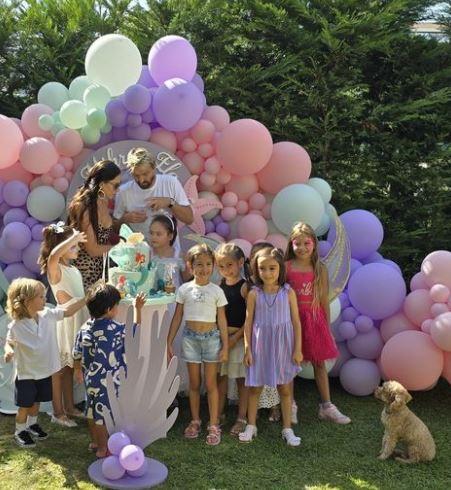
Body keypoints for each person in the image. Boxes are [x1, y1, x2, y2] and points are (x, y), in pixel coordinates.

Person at [4, 278, 86, 448]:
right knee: (25, 406)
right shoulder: (16, 325)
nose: (45, 299)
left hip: (45, 371)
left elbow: (68, 311)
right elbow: (9, 342)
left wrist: (87, 298)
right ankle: (20, 431)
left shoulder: (47, 314)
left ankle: (32, 425)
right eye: (41, 297)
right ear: (27, 301)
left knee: (37, 402)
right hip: (26, 374)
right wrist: (8, 351)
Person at [285, 222, 351, 424]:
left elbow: (323, 300)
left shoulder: (319, 268)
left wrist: (326, 328)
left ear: (314, 243)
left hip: (313, 321)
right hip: (290, 321)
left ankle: (326, 406)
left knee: (319, 363)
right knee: (290, 363)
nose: (302, 248)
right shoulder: (285, 267)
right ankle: (290, 404)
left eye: (307, 243)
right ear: (291, 244)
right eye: (298, 243)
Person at [73, 282, 146, 458]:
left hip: (91, 380)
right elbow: (135, 331)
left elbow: (77, 352)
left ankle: (95, 441)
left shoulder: (84, 328)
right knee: (102, 416)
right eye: (116, 306)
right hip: (109, 382)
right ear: (108, 309)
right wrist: (138, 308)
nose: (117, 309)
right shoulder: (116, 329)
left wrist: (77, 370)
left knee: (91, 411)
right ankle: (103, 448)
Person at [239, 247, 302, 446]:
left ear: (280, 268)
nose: (267, 273)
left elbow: (296, 322)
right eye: (262, 269)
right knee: (255, 387)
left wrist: (298, 348)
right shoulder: (254, 294)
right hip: (260, 345)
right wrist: (248, 349)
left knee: (284, 388)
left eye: (272, 268)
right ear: (256, 270)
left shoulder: (288, 292)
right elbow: (248, 323)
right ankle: (251, 425)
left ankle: (287, 429)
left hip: (283, 345)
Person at [167, 244, 228, 446]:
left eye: (208, 264)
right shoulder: (184, 289)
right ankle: (195, 420)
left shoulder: (217, 291)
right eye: (199, 264)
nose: (204, 268)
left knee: (210, 384)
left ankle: (213, 424)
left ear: (214, 266)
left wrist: (225, 346)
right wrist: (168, 341)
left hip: (211, 339)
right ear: (190, 266)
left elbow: (222, 321)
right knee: (194, 384)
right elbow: (177, 318)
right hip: (190, 339)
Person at [38, 223, 90, 427]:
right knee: (59, 369)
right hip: (65, 320)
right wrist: (73, 238)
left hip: (78, 317)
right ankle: (57, 412)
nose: (77, 248)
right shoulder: (55, 267)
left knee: (69, 366)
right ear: (62, 246)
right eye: (72, 246)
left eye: (76, 245)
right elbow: (52, 255)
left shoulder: (72, 269)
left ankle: (69, 407)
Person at [114, 147, 193, 255]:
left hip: (168, 258)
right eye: (136, 176)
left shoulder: (170, 183)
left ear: (154, 168)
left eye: (145, 174)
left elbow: (189, 219)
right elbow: (113, 227)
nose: (141, 180)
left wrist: (170, 203)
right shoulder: (123, 192)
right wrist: (124, 219)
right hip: (137, 259)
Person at [149, 214, 191, 394]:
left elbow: (188, 282)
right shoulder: (147, 255)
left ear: (170, 235)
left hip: (175, 307)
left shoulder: (178, 255)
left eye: (159, 234)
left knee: (175, 344)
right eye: (151, 233)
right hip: (154, 307)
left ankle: (175, 387)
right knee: (157, 345)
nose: (153, 238)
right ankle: (159, 388)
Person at [67, 160, 122, 290]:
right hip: (85, 277)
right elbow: (92, 249)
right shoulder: (84, 206)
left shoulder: (103, 202)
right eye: (115, 185)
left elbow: (104, 237)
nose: (118, 190)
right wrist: (120, 247)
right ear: (102, 184)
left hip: (103, 275)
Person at [215, 243, 248, 436]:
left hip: (239, 338)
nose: (226, 270)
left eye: (230, 265)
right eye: (221, 266)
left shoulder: (245, 287)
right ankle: (219, 413)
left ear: (240, 262)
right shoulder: (219, 286)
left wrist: (236, 337)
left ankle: (242, 417)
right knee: (221, 377)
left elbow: (252, 317)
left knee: (242, 380)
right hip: (222, 338)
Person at [246, 242, 282, 422]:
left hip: (273, 335)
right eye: (254, 256)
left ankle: (274, 405)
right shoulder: (249, 285)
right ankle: (256, 407)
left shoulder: (279, 286)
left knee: (273, 372)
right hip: (255, 335)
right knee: (256, 374)